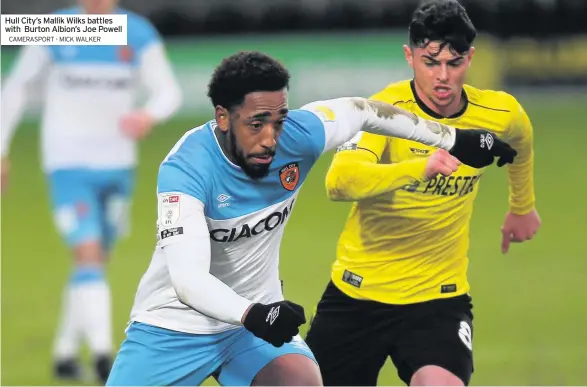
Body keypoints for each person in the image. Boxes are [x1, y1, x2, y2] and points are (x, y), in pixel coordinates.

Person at [104, 50, 516, 386]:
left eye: (279, 120)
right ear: (223, 117)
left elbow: (363, 111)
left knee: (301, 379)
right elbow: (188, 280)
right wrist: (255, 314)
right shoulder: (187, 169)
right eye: (256, 124)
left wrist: (452, 138)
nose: (271, 138)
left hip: (253, 328)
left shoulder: (299, 136)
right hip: (174, 326)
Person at [304, 1, 541, 386]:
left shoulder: (498, 112)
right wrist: (420, 167)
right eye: (431, 62)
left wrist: (522, 207)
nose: (443, 76)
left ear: (471, 58)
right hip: (357, 295)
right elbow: (339, 181)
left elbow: (521, 142)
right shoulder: (381, 111)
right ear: (409, 56)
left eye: (455, 62)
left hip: (438, 300)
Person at [0, 0, 182, 382]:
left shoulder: (137, 32)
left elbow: (168, 91)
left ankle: (64, 354)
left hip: (118, 166)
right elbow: (15, 87)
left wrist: (149, 114)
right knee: (87, 254)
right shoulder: (55, 28)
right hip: (67, 165)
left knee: (96, 259)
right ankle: (103, 355)